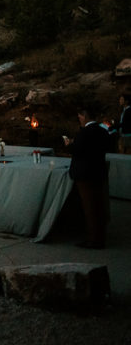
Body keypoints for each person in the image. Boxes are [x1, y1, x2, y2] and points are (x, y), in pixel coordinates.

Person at [63, 104, 110, 249]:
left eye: (80, 116)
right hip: (99, 172)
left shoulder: (84, 133)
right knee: (98, 205)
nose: (79, 119)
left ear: (85, 116)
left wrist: (69, 144)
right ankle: (99, 235)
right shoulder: (103, 132)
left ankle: (94, 239)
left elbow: (77, 150)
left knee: (89, 207)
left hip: (85, 174)